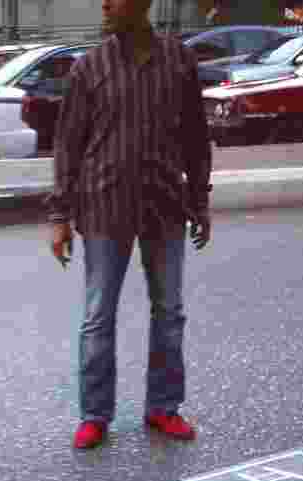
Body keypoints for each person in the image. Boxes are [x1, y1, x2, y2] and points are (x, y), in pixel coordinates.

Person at [48, 0, 212, 450]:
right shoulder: (88, 68)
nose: (105, 4)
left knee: (170, 312)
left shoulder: (179, 60)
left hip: (165, 204)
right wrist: (60, 215)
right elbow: (68, 146)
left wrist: (200, 199)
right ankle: (95, 415)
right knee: (98, 317)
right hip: (104, 206)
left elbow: (196, 136)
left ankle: (163, 407)